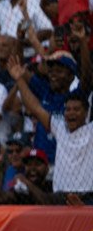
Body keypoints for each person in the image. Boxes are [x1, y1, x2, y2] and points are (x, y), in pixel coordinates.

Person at [8, 56, 93, 201]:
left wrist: (82, 41)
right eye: (68, 109)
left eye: (76, 109)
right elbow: (35, 107)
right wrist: (19, 79)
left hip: (87, 197)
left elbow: (87, 77)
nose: (71, 113)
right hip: (60, 197)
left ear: (86, 112)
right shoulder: (59, 127)